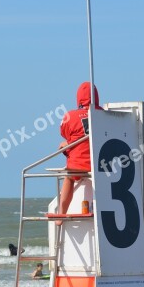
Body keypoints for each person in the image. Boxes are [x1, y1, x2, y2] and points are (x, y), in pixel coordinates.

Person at [56, 81, 101, 224]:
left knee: (68, 177)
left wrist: (67, 144)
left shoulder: (70, 116)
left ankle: (61, 214)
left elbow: (66, 133)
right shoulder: (105, 115)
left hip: (78, 165)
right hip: (100, 164)